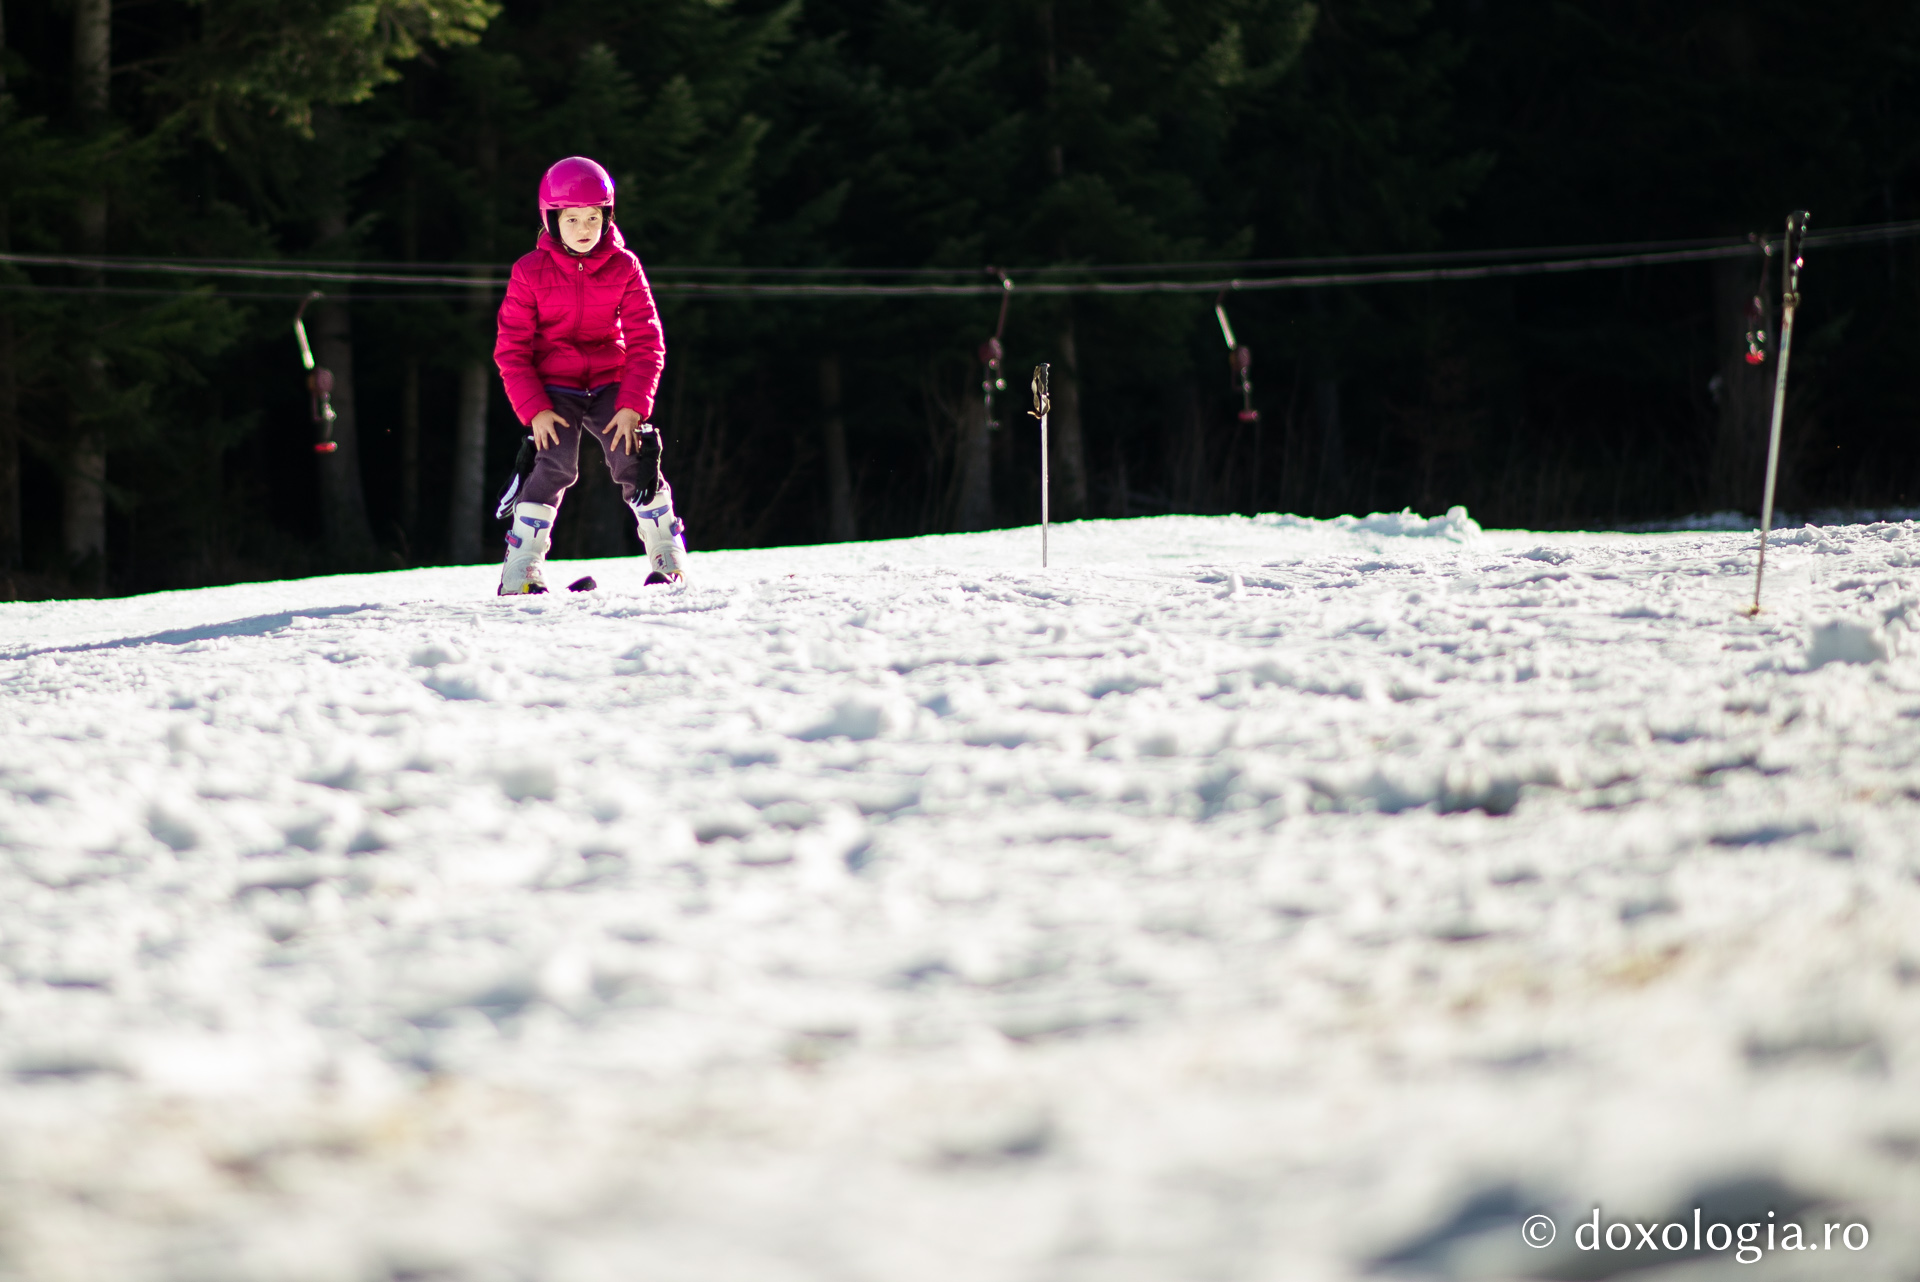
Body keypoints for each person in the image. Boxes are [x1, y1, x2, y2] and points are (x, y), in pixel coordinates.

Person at [493, 155, 687, 594]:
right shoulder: (529, 271)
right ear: (552, 220)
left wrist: (633, 406)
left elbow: (647, 341)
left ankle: (666, 552)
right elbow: (511, 349)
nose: (584, 228)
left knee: (630, 453)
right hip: (553, 385)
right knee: (553, 461)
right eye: (573, 218)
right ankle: (521, 566)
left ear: (608, 217)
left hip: (609, 378)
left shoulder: (624, 266)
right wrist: (535, 410)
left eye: (594, 218)